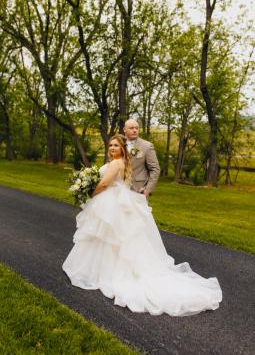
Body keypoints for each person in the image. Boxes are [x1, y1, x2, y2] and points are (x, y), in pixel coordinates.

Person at [63, 134, 222, 316]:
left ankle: (104, 273)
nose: (112, 148)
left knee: (110, 237)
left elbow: (106, 183)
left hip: (111, 202)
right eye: (110, 145)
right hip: (116, 202)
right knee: (113, 239)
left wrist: (91, 193)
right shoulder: (122, 162)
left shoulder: (116, 163)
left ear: (122, 148)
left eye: (116, 145)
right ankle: (104, 270)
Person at [123, 119, 160, 197]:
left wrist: (148, 190)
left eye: (136, 128)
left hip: (138, 190)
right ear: (124, 130)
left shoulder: (147, 146)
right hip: (119, 188)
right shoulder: (119, 144)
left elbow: (155, 169)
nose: (135, 130)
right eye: (131, 128)